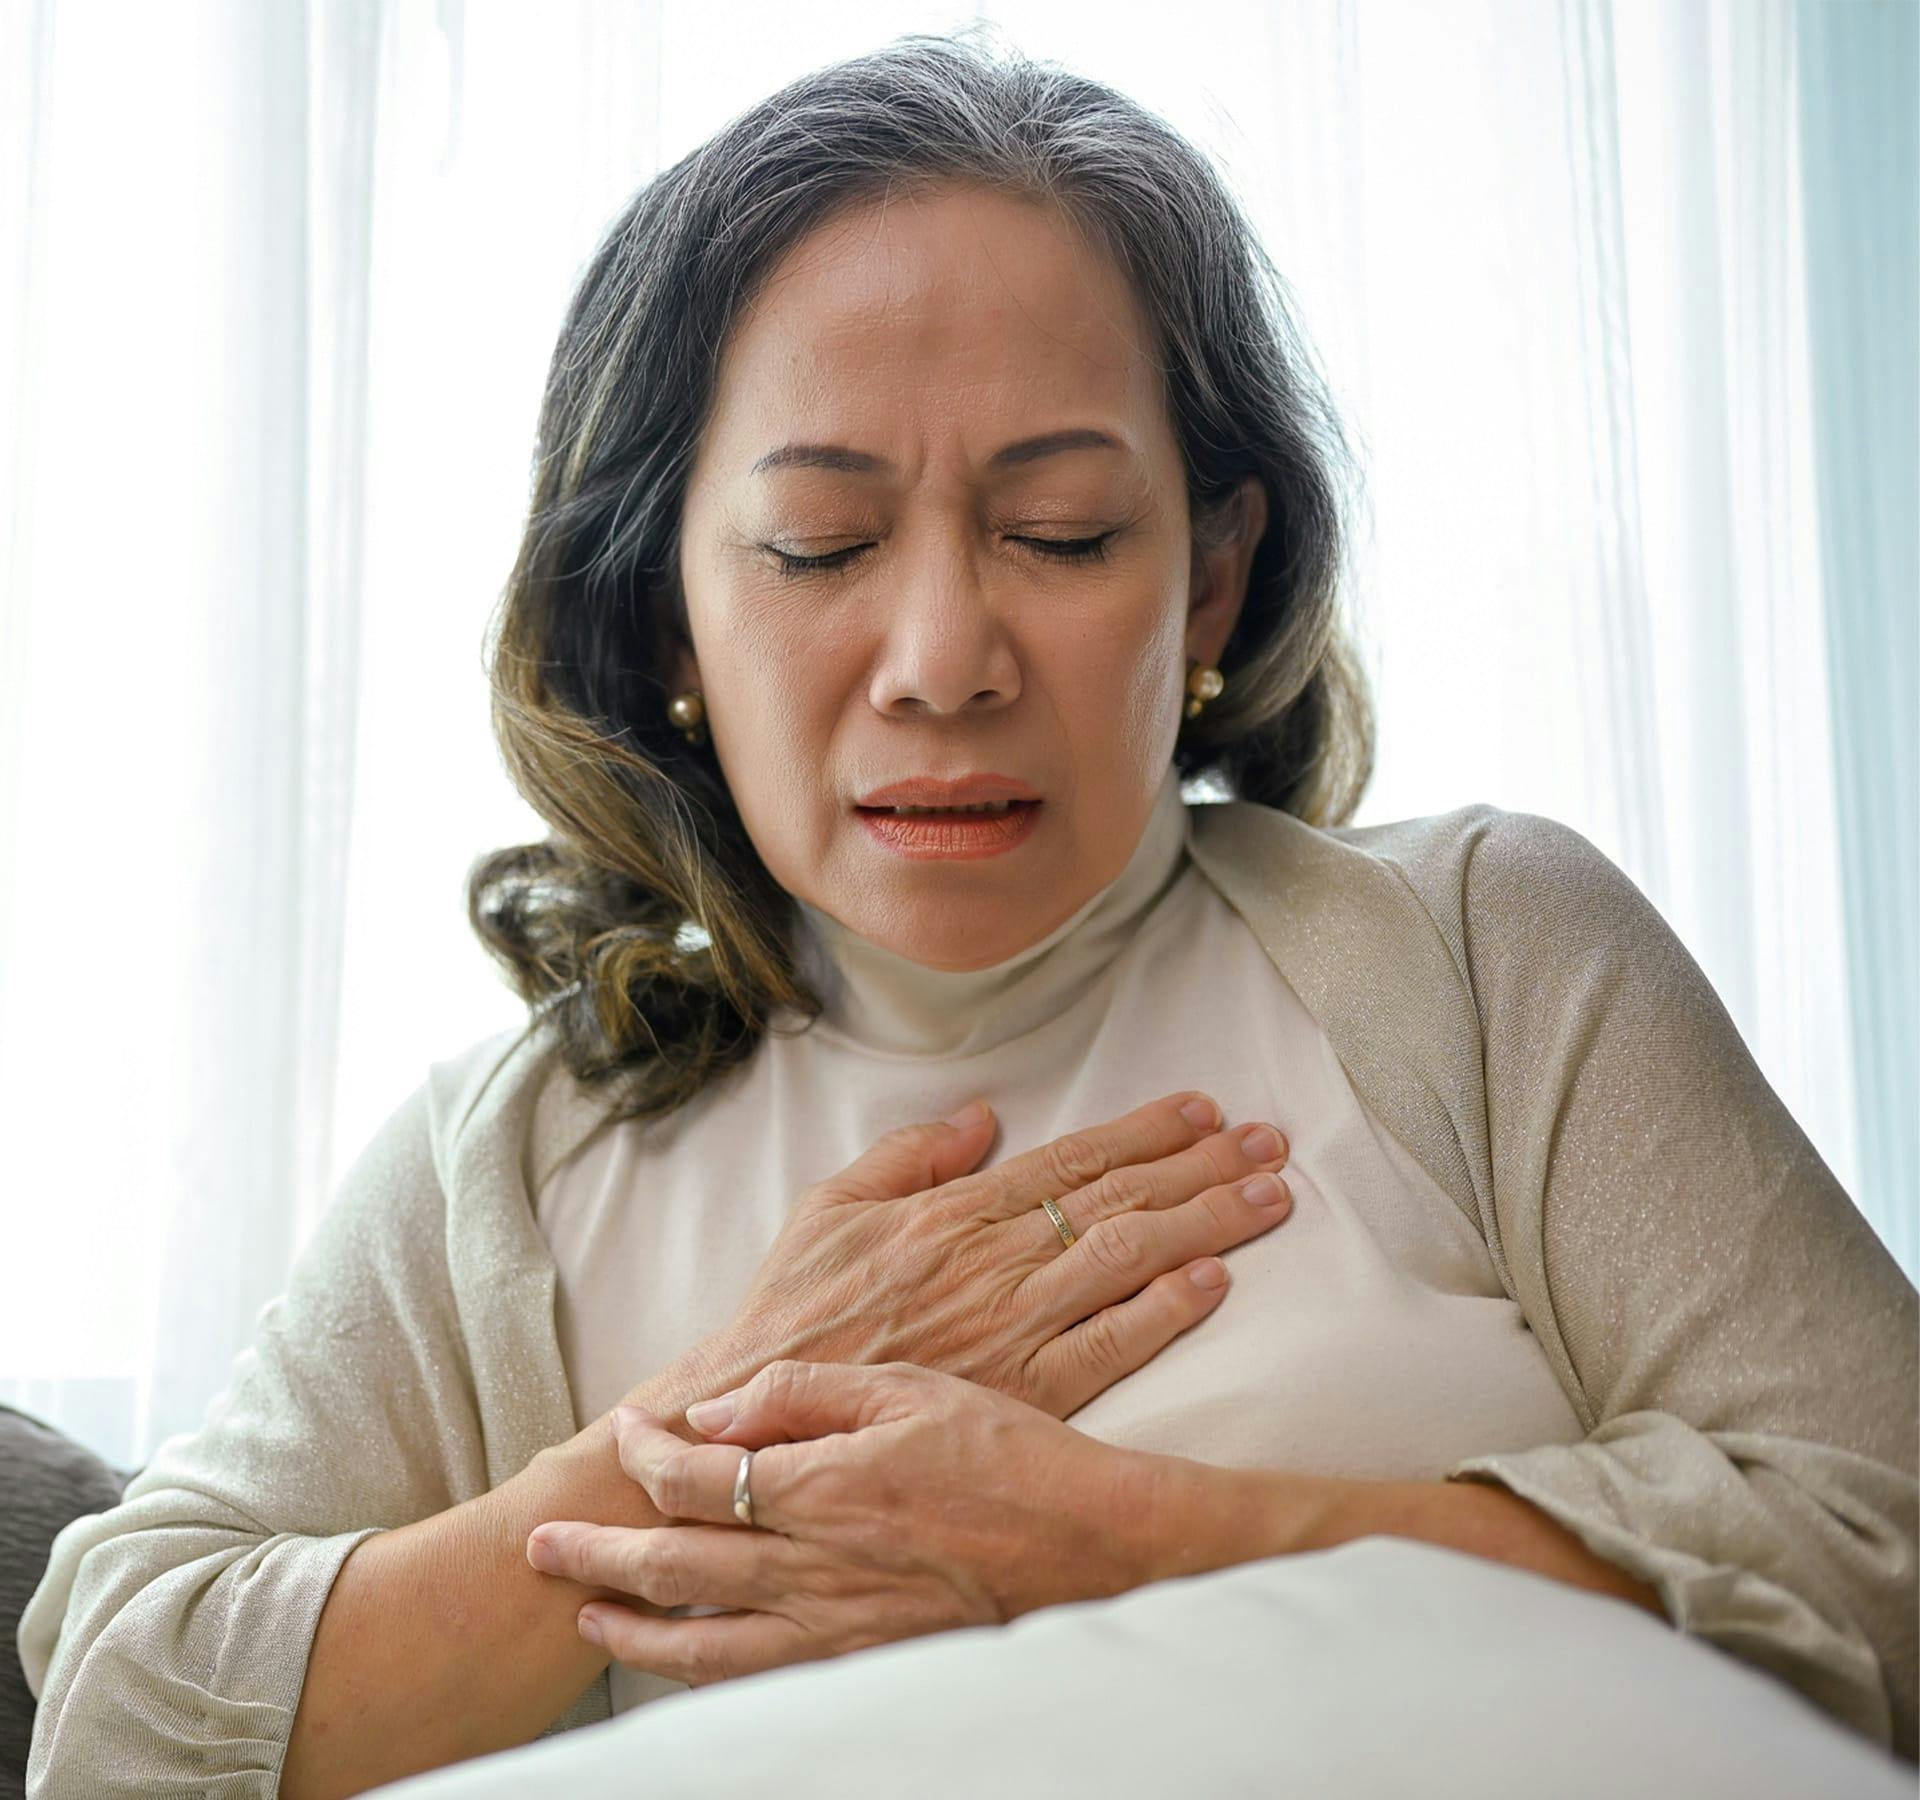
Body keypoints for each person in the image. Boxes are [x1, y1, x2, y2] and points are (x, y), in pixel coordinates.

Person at [20, 31, 1917, 1800]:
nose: (942, 659)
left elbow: (1885, 1545)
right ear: (669, 612)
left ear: (1211, 578)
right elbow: (117, 1710)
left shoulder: (1481, 958)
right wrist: (710, 1441)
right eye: (821, 547)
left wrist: (1106, 1543)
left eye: (1064, 532)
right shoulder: (507, 1169)